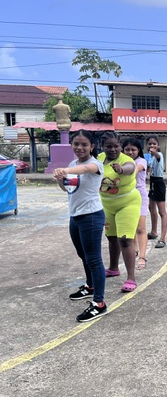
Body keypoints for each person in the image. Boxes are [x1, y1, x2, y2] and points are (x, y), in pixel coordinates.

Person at [53, 130, 107, 322]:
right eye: (76, 144)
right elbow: (68, 189)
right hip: (75, 216)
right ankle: (90, 286)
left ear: (92, 146)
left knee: (94, 259)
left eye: (84, 144)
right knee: (83, 255)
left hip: (91, 216)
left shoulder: (96, 164)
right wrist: (61, 179)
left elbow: (85, 169)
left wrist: (65, 171)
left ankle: (99, 303)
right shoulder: (72, 164)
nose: (79, 147)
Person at [98, 131, 142, 293]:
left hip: (127, 203)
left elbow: (130, 168)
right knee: (111, 237)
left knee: (125, 239)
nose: (112, 149)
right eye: (108, 146)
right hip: (107, 203)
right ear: (102, 147)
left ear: (120, 146)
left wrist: (121, 170)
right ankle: (113, 268)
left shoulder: (125, 160)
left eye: (116, 146)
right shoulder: (99, 158)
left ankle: (131, 278)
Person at [123, 138, 149, 270]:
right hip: (125, 196)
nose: (130, 152)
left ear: (138, 150)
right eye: (127, 149)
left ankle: (142, 257)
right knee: (130, 227)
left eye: (133, 149)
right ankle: (135, 249)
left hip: (140, 196)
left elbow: (137, 169)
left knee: (140, 228)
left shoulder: (141, 161)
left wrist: (123, 171)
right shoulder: (121, 161)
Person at [146, 135, 167, 249]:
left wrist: (154, 152)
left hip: (159, 183)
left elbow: (157, 156)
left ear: (158, 146)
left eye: (154, 144)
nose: (152, 146)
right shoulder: (150, 158)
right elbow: (148, 169)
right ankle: (154, 231)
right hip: (152, 182)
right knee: (151, 207)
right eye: (150, 144)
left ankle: (162, 239)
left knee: (162, 212)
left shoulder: (159, 155)